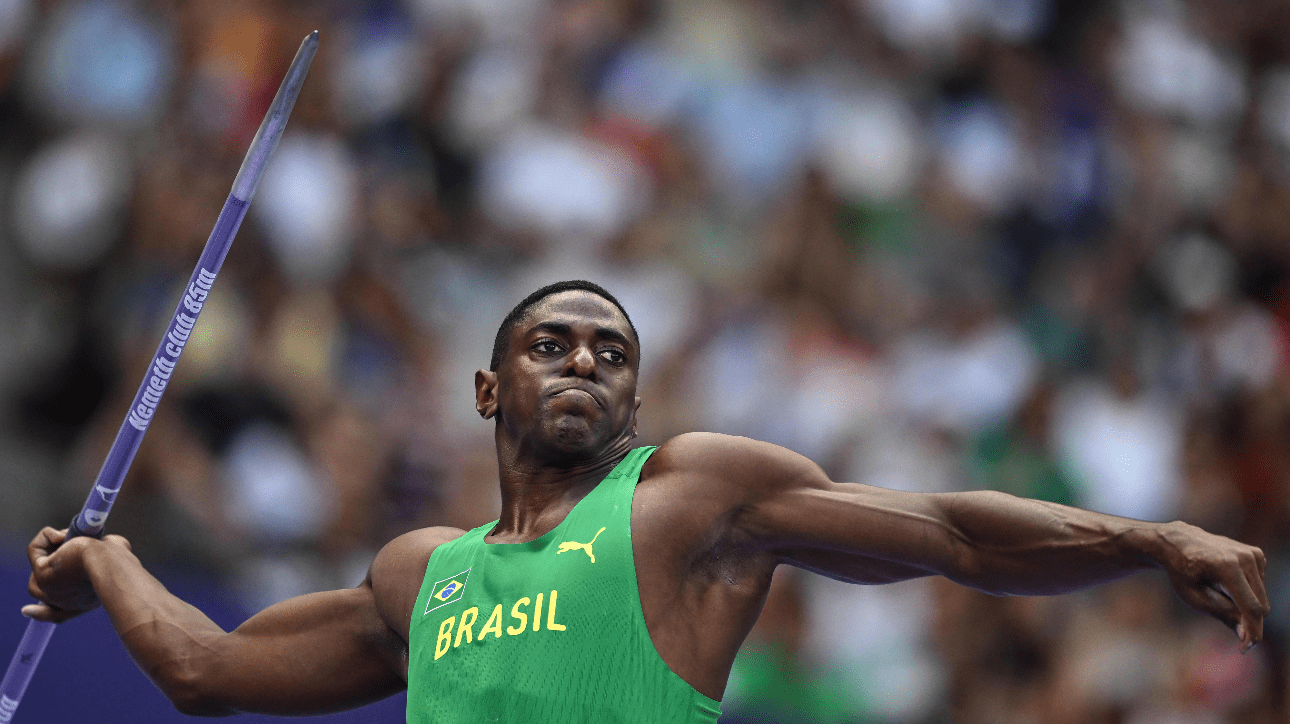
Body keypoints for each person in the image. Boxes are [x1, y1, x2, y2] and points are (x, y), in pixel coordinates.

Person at [25, 280, 1270, 722]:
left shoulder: (692, 496)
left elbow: (947, 532)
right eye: (553, 343)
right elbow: (205, 670)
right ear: (485, 385)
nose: (583, 362)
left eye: (611, 353)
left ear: (634, 399)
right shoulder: (422, 574)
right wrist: (107, 563)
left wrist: (1145, 536)